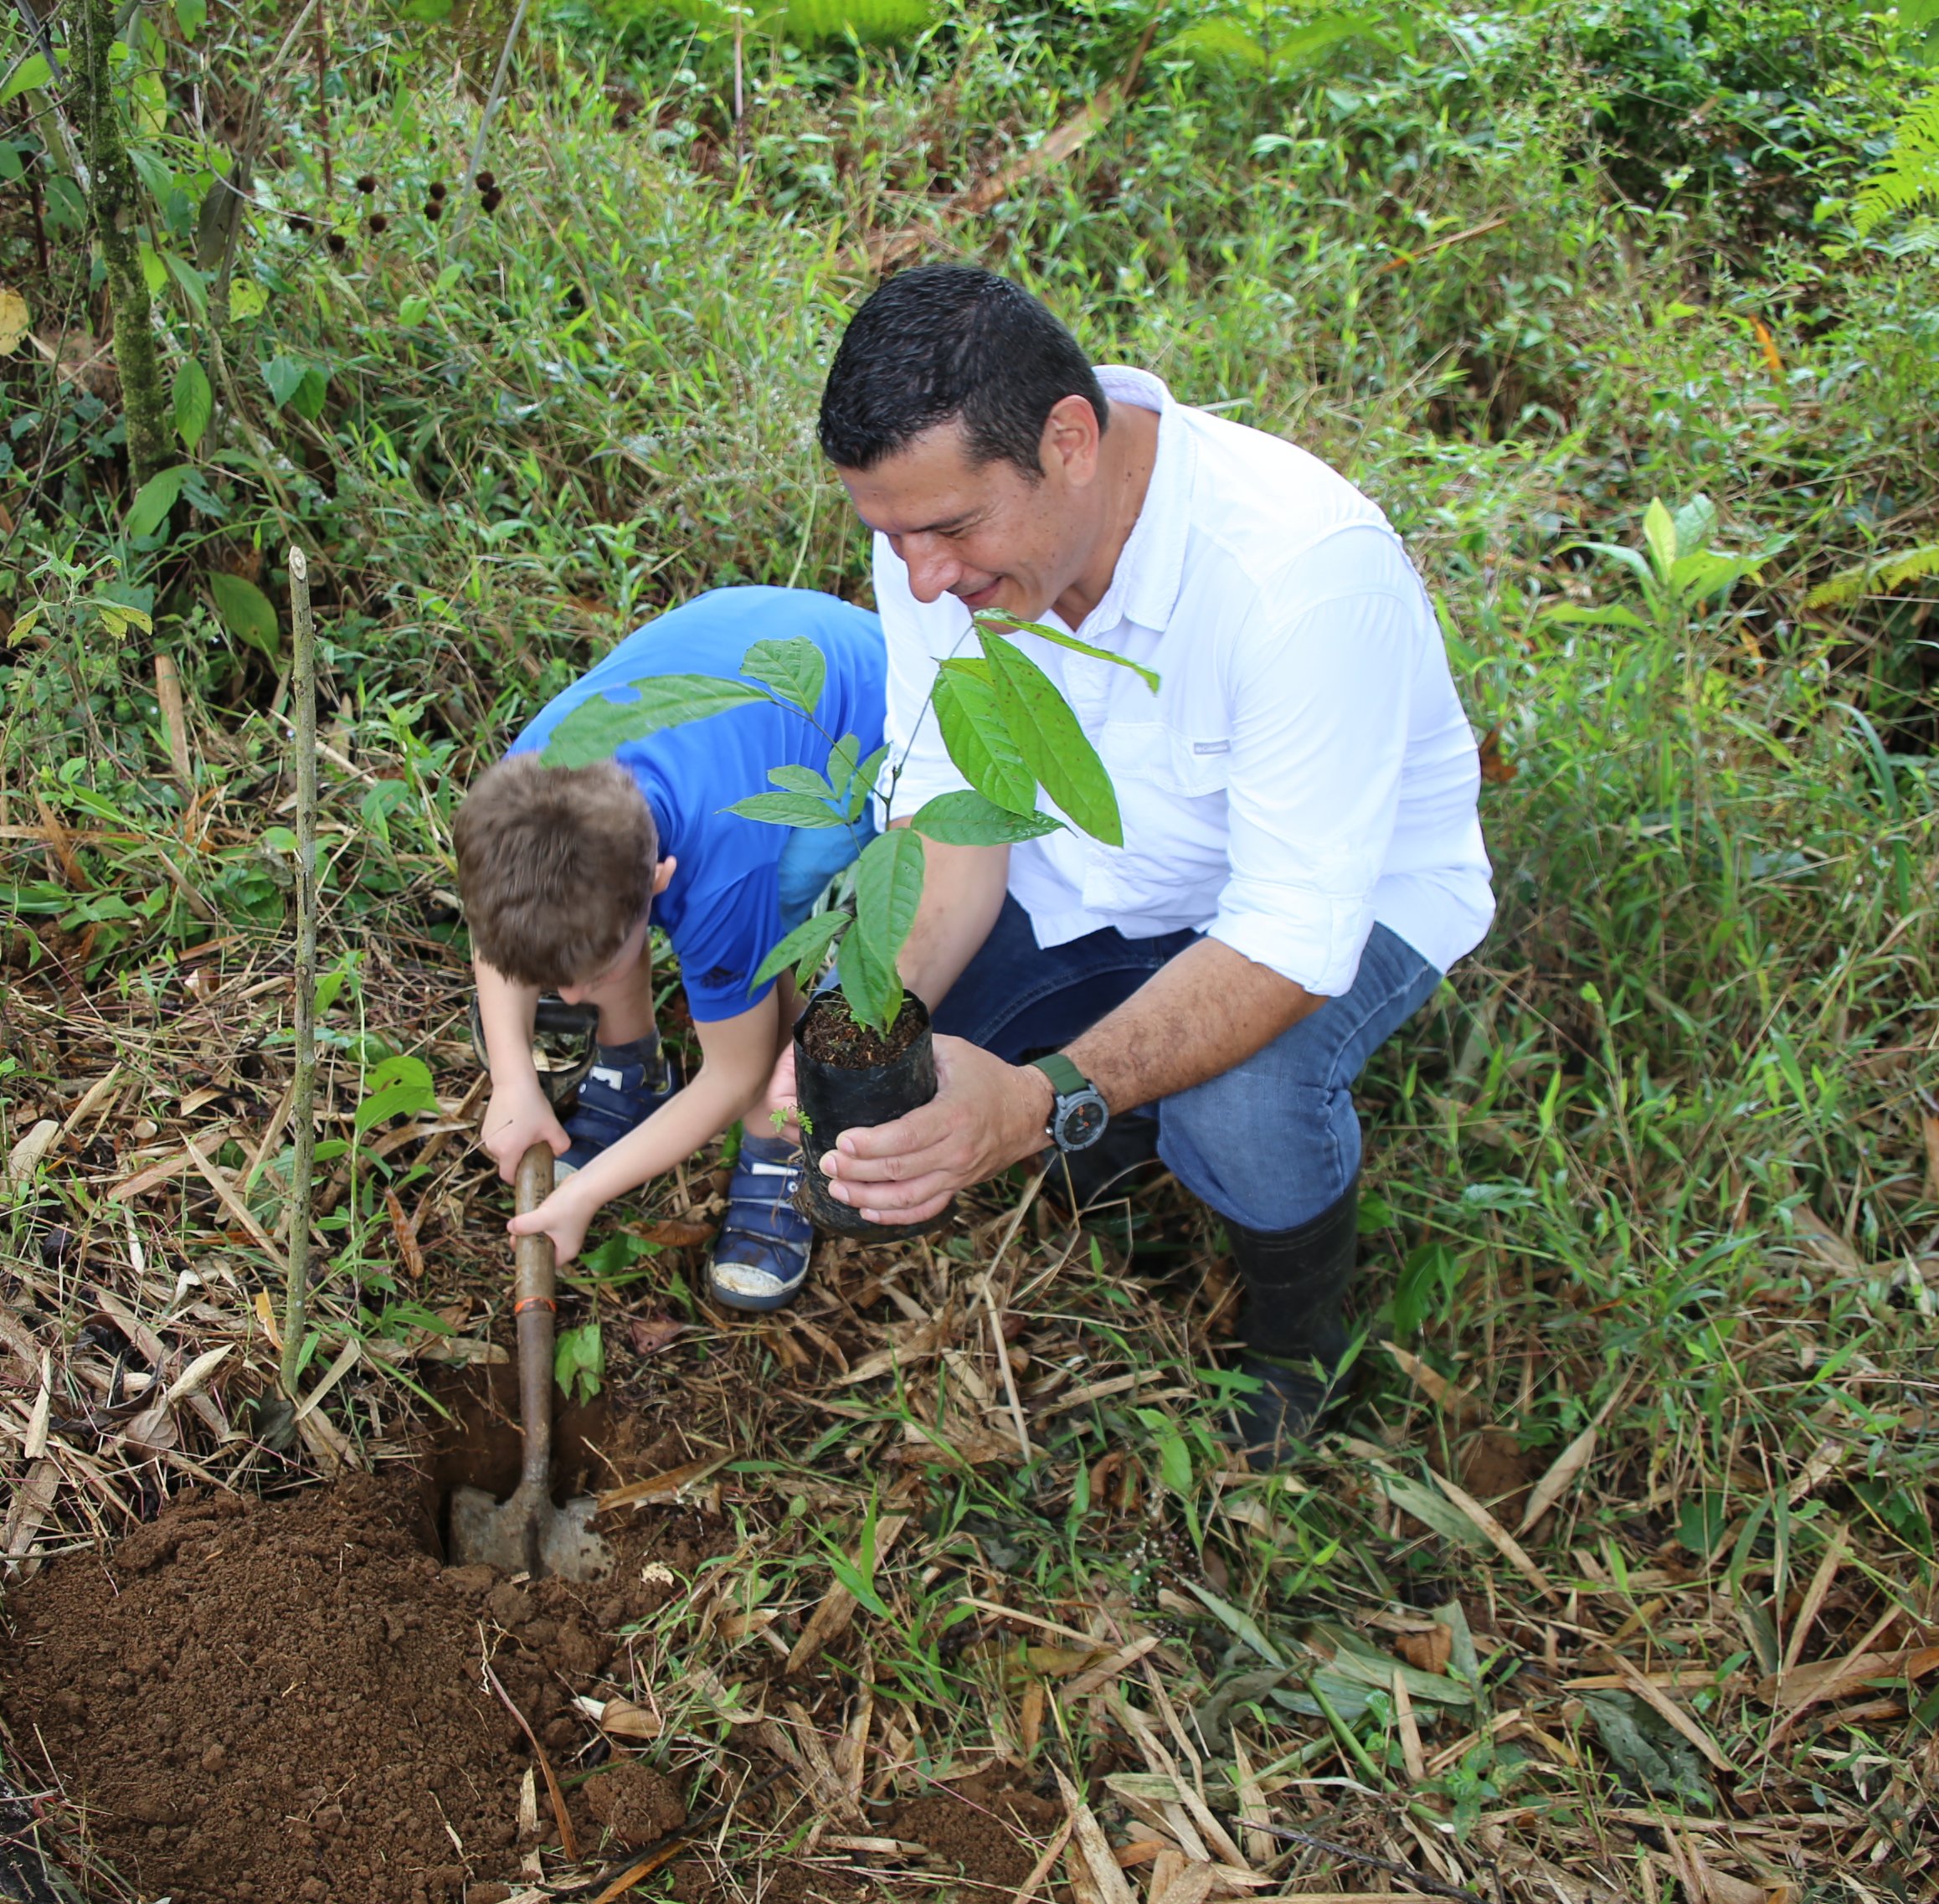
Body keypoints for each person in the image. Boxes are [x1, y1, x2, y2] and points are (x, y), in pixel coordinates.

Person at [789, 265, 1495, 1457]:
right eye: (891, 537)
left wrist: (1028, 1104)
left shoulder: (1298, 576)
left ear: (1070, 441)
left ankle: (1297, 1334)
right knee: (906, 1034)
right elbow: (954, 828)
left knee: (1240, 1102)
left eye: (952, 530)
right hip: (1089, 877)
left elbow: (1284, 939)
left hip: (1338, 899)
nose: (919, 583)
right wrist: (867, 1021)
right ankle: (1117, 1167)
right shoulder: (934, 549)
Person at [460, 585, 887, 1312]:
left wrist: (588, 1193)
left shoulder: (725, 867)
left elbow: (734, 1069)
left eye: (583, 979)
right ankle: (636, 1074)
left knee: (773, 939)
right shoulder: (523, 792)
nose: (565, 1003)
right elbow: (494, 932)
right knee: (600, 943)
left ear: (661, 881)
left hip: (853, 717)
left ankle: (779, 1149)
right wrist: (512, 1080)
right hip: (732, 665)